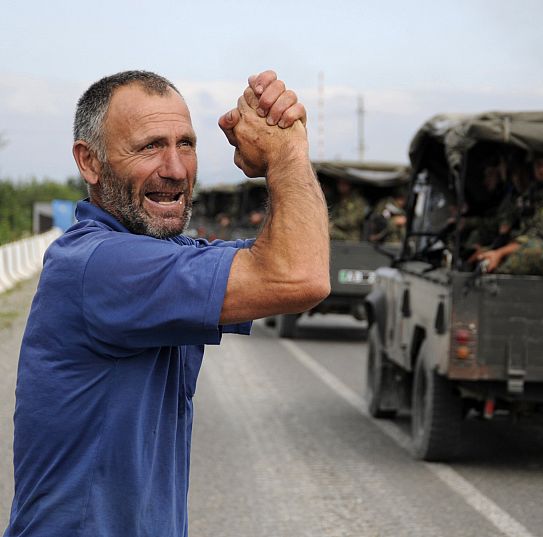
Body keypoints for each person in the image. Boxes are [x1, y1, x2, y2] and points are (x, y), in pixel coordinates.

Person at [3, 69, 330, 537]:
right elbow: (299, 276)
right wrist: (287, 152)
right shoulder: (102, 265)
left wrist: (282, 142)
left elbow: (290, 257)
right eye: (150, 146)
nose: (176, 169)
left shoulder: (158, 253)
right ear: (90, 162)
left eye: (187, 144)